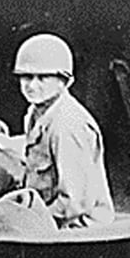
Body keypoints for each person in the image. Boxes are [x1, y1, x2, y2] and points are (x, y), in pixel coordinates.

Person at [15, 33, 115, 228]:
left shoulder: (68, 125)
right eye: (26, 77)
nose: (32, 85)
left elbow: (74, 204)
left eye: (43, 77)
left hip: (75, 227)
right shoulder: (37, 112)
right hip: (45, 212)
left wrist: (26, 222)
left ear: (65, 81)